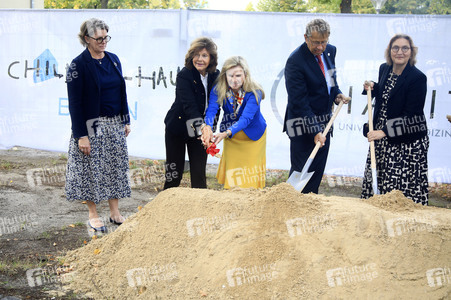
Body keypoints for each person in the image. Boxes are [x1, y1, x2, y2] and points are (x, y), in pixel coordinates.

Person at [65, 18, 131, 232]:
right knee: (90, 168)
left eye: (106, 37)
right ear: (87, 39)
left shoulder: (113, 59)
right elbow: (74, 104)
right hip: (91, 123)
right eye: (99, 38)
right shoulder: (78, 64)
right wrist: (81, 135)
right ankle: (93, 214)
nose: (104, 42)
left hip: (114, 123)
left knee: (114, 166)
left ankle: (114, 212)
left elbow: (121, 90)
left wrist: (126, 118)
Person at [283, 18, 349, 194]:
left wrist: (337, 94)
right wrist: (314, 130)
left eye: (323, 42)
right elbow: (299, 102)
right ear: (306, 37)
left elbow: (330, 81)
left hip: (325, 124)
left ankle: (310, 210)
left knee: (316, 174)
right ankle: (293, 210)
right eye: (316, 42)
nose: (320, 47)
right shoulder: (295, 61)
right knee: (301, 173)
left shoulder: (330, 51)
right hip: (302, 127)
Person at [361, 34, 429, 205]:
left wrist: (383, 132)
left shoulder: (418, 78)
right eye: (395, 48)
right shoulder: (384, 68)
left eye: (405, 48)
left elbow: (411, 116)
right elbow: (388, 94)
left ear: (411, 52)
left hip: (406, 143)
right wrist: (373, 87)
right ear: (389, 51)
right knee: (379, 186)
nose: (400, 52)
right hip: (382, 138)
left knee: (399, 193)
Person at [201, 56, 266, 189]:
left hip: (252, 136)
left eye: (238, 75)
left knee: (249, 179)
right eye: (230, 75)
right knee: (233, 178)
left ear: (245, 75)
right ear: (225, 76)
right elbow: (212, 110)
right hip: (231, 136)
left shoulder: (255, 92)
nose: (234, 80)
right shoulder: (218, 89)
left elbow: (245, 119)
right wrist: (207, 127)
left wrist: (225, 133)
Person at [163, 37, 219, 189]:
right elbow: (190, 107)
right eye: (196, 55)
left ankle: (200, 212)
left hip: (201, 129)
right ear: (191, 56)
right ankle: (164, 210)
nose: (199, 59)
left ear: (211, 58)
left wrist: (209, 129)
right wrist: (203, 128)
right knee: (174, 174)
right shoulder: (184, 75)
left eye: (204, 55)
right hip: (179, 127)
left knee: (199, 175)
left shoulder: (216, 75)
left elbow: (216, 105)